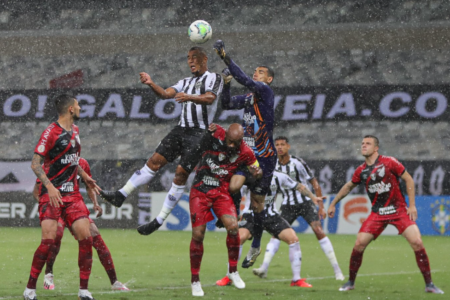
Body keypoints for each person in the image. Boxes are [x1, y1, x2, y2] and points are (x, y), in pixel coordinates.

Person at [100, 46, 224, 235]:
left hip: (200, 134)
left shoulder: (214, 78)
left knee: (181, 174)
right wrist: (151, 83)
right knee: (153, 162)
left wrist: (189, 97)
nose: (191, 61)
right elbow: (166, 94)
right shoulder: (185, 81)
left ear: (205, 59)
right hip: (181, 129)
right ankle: (120, 194)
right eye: (189, 58)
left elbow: (210, 98)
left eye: (195, 57)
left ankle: (159, 220)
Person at [327, 135, 444, 294]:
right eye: (362, 143)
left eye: (367, 144)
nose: (363, 146)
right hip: (377, 213)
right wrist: (333, 203)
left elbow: (408, 179)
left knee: (417, 241)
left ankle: (429, 284)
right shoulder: (361, 170)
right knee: (359, 243)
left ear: (376, 148)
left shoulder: (390, 162)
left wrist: (412, 206)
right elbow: (348, 186)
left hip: (399, 210)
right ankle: (351, 282)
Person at [24, 94, 101, 300]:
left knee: (86, 238)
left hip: (72, 195)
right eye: (78, 105)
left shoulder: (75, 131)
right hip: (52, 195)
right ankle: (30, 289)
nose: (80, 108)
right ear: (70, 109)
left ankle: (83, 291)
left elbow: (73, 161)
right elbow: (35, 164)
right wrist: (49, 187)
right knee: (48, 242)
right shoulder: (50, 132)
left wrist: (86, 177)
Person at [213, 39, 277, 267]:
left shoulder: (265, 92)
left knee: (257, 205)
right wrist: (227, 83)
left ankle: (256, 244)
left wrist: (225, 57)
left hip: (265, 158)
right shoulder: (251, 98)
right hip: (248, 154)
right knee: (232, 186)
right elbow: (228, 104)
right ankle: (231, 215)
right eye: (255, 71)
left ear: (268, 79)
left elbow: (246, 80)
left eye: (261, 72)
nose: (256, 74)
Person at [186, 123, 261, 296]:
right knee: (198, 234)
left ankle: (233, 271)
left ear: (241, 141)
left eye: (236, 143)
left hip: (221, 192)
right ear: (225, 133)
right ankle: (195, 280)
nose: (232, 146)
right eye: (230, 141)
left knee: (234, 228)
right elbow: (196, 146)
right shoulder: (215, 133)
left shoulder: (246, 151)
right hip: (200, 190)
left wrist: (256, 172)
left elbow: (257, 169)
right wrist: (206, 134)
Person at [33, 158, 129, 292]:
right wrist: (48, 206)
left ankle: (114, 282)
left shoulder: (82, 163)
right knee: (56, 235)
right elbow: (36, 190)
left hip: (73, 207)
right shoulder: (51, 163)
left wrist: (95, 203)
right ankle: (49, 274)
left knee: (96, 237)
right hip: (56, 207)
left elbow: (89, 185)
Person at [255, 136, 344, 280]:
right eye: (277, 145)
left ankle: (337, 270)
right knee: (276, 234)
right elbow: (273, 187)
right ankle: (264, 268)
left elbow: (314, 183)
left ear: (288, 146)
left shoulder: (297, 163)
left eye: (282, 144)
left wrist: (320, 206)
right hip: (287, 205)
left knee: (318, 231)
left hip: (305, 203)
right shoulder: (273, 165)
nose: (279, 147)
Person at [216, 170, 324, 288]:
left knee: (293, 238)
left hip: (271, 215)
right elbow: (235, 193)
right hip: (251, 215)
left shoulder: (279, 176)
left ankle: (296, 280)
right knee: (238, 238)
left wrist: (313, 197)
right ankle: (230, 276)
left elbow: (299, 186)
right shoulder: (248, 174)